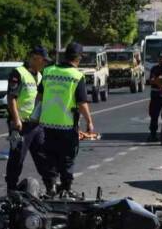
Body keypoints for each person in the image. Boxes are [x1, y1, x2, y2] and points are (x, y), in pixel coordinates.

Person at [36, 42, 95, 197]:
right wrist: (89, 121)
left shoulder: (48, 71)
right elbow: (82, 103)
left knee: (50, 158)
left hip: (47, 125)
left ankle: (51, 188)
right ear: (79, 58)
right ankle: (66, 189)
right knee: (67, 158)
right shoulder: (77, 76)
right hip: (67, 126)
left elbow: (39, 97)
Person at [5, 46, 51, 195]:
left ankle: (51, 186)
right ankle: (11, 189)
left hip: (36, 124)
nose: (44, 63)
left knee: (43, 156)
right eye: (43, 60)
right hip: (21, 125)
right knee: (17, 157)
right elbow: (12, 98)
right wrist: (16, 119)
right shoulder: (19, 73)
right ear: (35, 57)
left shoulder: (39, 75)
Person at [146, 51, 162, 142]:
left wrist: (158, 79)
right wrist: (158, 82)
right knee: (154, 115)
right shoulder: (154, 68)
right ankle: (153, 134)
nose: (161, 59)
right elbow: (151, 81)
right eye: (159, 58)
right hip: (155, 95)